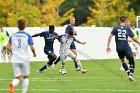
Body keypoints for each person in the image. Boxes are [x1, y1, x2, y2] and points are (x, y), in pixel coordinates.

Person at [106, 15, 140, 81]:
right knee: (132, 61)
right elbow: (133, 38)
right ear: (125, 21)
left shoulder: (115, 28)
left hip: (118, 48)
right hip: (126, 47)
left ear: (119, 20)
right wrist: (138, 42)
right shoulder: (127, 28)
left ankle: (128, 74)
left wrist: (108, 46)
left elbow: (110, 37)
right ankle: (130, 74)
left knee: (123, 61)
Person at [8, 19, 36, 93]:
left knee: (18, 77)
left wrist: (12, 52)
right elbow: (32, 47)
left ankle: (12, 84)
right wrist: (34, 54)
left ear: (18, 26)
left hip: (15, 59)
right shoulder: (27, 35)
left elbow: (8, 47)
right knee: (26, 77)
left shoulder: (13, 36)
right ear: (25, 26)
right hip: (24, 59)